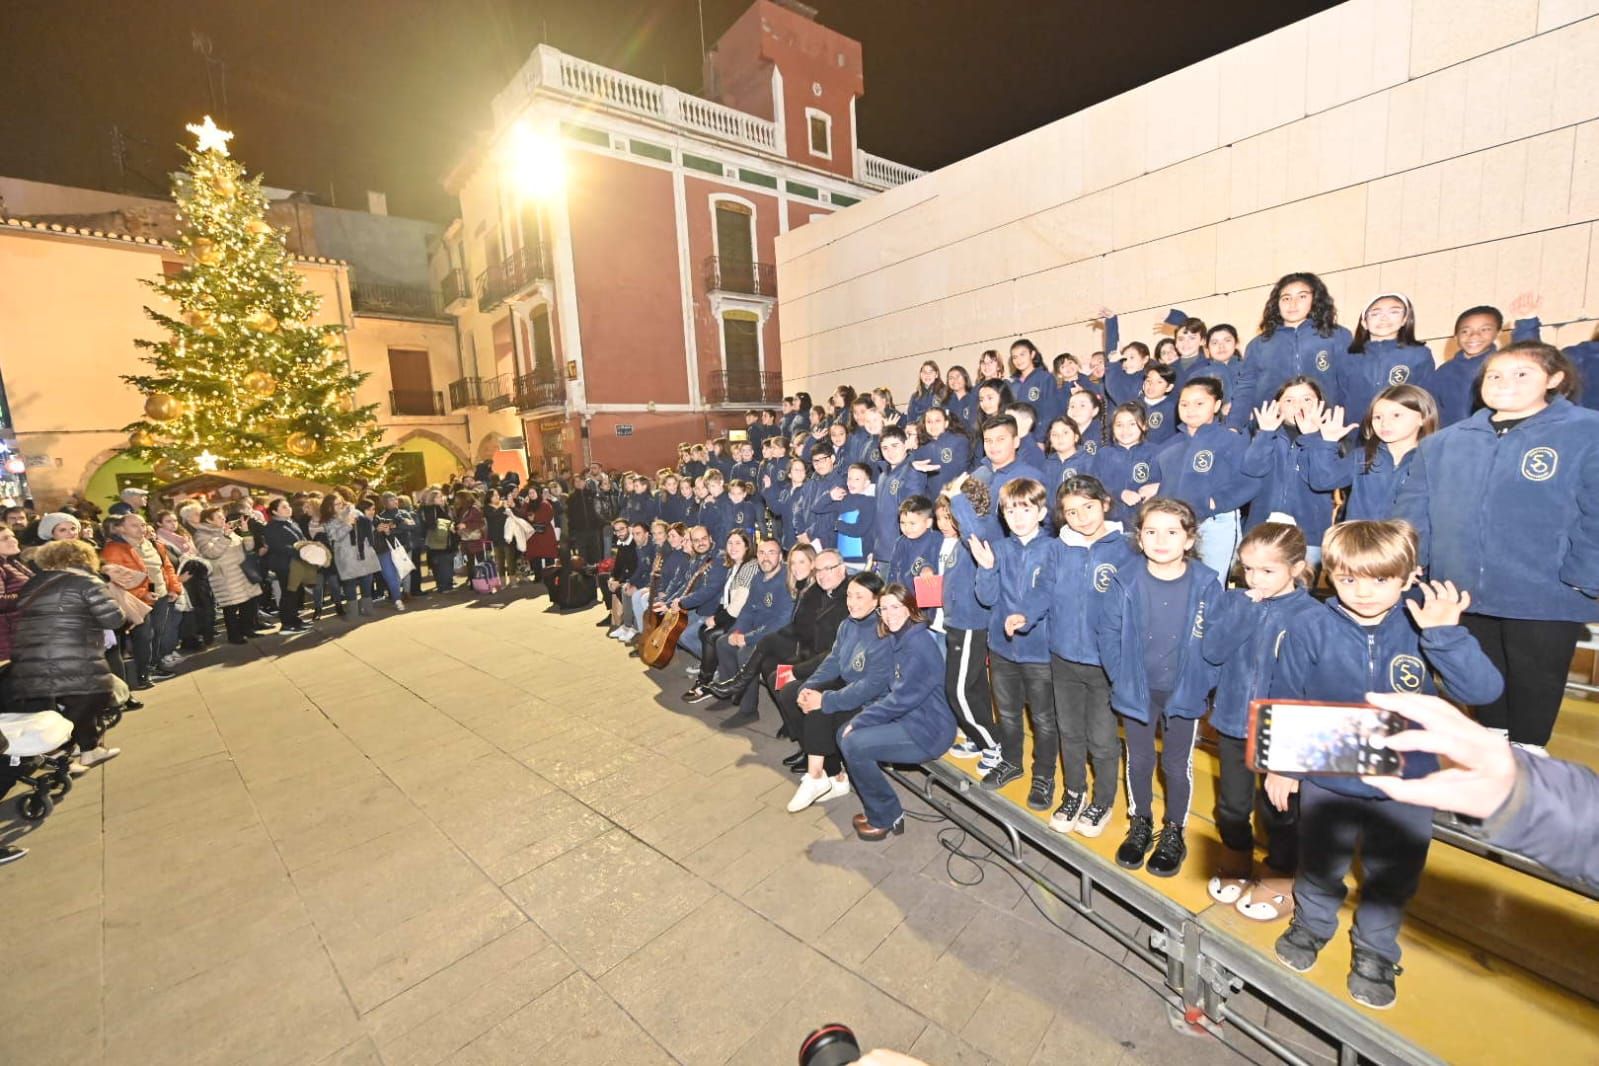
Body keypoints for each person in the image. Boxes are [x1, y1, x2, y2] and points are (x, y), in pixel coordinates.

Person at [1268, 520, 1501, 1009]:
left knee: (1392, 872)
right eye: (1349, 579)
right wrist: (1282, 765)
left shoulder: (1424, 625)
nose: (1364, 592)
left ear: (1409, 576)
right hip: (1329, 771)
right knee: (1320, 862)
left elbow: (1483, 691)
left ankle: (1375, 950)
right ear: (1330, 574)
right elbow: (1287, 693)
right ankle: (1311, 925)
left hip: (1408, 778)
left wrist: (1445, 636)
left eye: (1380, 579)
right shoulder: (1310, 625)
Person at [1395, 341, 1599, 755]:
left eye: (1522, 374)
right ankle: (1489, 759)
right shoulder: (1444, 443)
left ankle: (1527, 763)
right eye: (1495, 375)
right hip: (1462, 588)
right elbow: (1414, 511)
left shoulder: (1586, 431)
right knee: (1481, 683)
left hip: (1545, 592)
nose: (1506, 383)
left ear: (1555, 379)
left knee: (1534, 684)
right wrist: (1409, 561)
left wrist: (1586, 575)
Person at [1201, 521, 1320, 921]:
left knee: (1280, 811)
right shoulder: (1236, 601)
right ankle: (1236, 856)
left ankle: (1281, 873)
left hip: (1282, 731)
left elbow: (1314, 682)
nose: (1255, 579)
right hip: (1233, 720)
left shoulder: (1311, 615)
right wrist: (1244, 609)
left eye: (1267, 570)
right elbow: (1213, 650)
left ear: (1296, 568)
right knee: (1232, 804)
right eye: (1248, 569)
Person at [1097, 497, 1222, 879]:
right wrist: (1121, 676)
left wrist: (1202, 682)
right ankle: (1140, 822)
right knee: (1139, 760)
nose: (1161, 540)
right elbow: (1108, 632)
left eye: (1171, 532)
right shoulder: (1126, 579)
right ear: (1139, 537)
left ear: (1189, 539)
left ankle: (1173, 830)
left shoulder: (1206, 583)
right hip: (1138, 689)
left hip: (1183, 690)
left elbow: (1217, 638)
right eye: (1151, 531)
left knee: (1176, 764)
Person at [1361, 691, 1599, 890]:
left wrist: (1446, 643)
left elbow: (1483, 687)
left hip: (1410, 788)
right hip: (1355, 786)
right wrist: (1519, 791)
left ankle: (1378, 934)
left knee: (1391, 877)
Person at [1045, 475, 1135, 838]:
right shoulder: (1058, 549)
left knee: (1101, 738)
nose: (1081, 517)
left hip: (1104, 664)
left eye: (1088, 507)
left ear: (1105, 504)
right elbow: (1043, 593)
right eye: (1071, 512)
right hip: (1063, 657)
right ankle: (1074, 791)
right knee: (1069, 732)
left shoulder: (1127, 548)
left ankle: (1102, 800)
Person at [839, 584, 958, 840]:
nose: (889, 614)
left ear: (909, 608)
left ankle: (886, 816)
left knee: (853, 744)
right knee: (843, 734)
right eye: (883, 609)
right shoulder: (899, 637)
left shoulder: (918, 646)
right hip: (909, 718)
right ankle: (878, 806)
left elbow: (901, 699)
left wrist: (861, 720)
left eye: (895, 607)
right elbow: (893, 689)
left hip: (929, 731)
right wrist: (863, 714)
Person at [965, 477, 1058, 803]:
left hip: (1039, 651)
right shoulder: (999, 549)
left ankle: (1044, 775)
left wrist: (1025, 616)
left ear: (1041, 512)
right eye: (1010, 511)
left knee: (1044, 719)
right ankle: (1011, 762)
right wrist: (987, 568)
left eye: (1025, 510)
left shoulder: (1053, 550)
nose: (1017, 517)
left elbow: (1047, 592)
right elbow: (987, 597)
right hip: (1002, 648)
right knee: (1007, 713)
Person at [5, 538, 126, 771]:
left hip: (32, 653)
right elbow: (114, 619)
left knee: (74, 700)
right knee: (95, 696)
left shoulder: (33, 584)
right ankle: (60, 749)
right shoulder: (86, 582)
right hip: (72, 651)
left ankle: (88, 749)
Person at [785, 571, 891, 813]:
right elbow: (833, 661)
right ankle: (834, 776)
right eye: (849, 596)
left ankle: (816, 776)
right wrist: (809, 685)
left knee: (820, 709)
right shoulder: (848, 624)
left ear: (876, 600)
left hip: (873, 701)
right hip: (848, 685)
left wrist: (825, 699)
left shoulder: (883, 633)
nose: (852, 602)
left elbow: (870, 687)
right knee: (793, 694)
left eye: (859, 597)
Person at [1149, 377, 1256, 577]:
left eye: (1199, 403)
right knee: (1178, 579)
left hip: (1215, 523)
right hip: (1176, 524)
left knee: (1212, 579)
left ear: (1216, 405)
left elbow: (1250, 480)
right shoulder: (1170, 446)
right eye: (1184, 404)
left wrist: (1218, 502)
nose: (1190, 409)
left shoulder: (1230, 439)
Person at [930, 482, 999, 770]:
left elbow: (973, 533)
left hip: (969, 624)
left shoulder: (982, 530)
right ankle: (978, 736)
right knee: (975, 687)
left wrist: (957, 496)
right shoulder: (960, 540)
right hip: (956, 622)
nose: (948, 520)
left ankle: (992, 745)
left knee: (957, 691)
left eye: (953, 511)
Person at [1300, 385, 1435, 523]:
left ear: (1422, 417)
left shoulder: (1433, 462)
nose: (1385, 423)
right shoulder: (1363, 457)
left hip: (1406, 537)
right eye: (1378, 417)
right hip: (1360, 536)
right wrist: (1328, 443)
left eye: (1396, 415)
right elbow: (1322, 482)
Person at [1232, 272, 1351, 426]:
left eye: (1302, 296)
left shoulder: (1337, 336)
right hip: (1273, 429)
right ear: (1277, 303)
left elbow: (1349, 386)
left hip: (1325, 427)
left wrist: (1350, 427)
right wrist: (1234, 426)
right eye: (1286, 298)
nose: (1292, 304)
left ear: (1315, 299)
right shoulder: (1259, 344)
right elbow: (1245, 388)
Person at [1243, 378, 1336, 560]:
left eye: (1307, 399)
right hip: (1262, 527)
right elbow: (1252, 469)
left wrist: (1313, 437)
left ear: (1320, 403)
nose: (1298, 405)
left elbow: (1327, 479)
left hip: (1310, 534)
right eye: (1289, 400)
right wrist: (1265, 434)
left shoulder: (1330, 438)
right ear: (1277, 406)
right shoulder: (1265, 436)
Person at [1337, 293, 1435, 424]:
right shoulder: (1348, 356)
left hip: (1400, 429)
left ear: (1405, 319)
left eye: (1394, 312)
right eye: (1375, 313)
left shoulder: (1419, 355)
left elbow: (1425, 398)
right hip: (1355, 429)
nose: (1383, 318)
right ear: (1364, 322)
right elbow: (1339, 396)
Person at [193, 506, 259, 644]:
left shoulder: (226, 530)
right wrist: (225, 536)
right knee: (230, 608)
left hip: (241, 573)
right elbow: (212, 553)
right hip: (224, 577)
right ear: (208, 520)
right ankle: (234, 636)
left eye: (223, 516)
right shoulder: (201, 535)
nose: (223, 518)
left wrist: (245, 530)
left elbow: (248, 547)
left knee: (248, 603)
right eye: (218, 517)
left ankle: (247, 629)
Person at [0, 526, 34, 660]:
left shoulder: (12, 562)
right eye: (5, 538)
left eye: (12, 536)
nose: (13, 540)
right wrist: (30, 597)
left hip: (19, 633)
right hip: (7, 639)